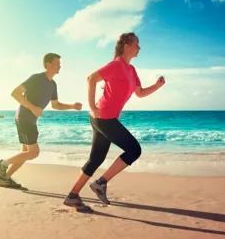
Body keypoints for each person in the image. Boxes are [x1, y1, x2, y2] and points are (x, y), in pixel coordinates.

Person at [63, 32, 165, 212]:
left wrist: (157, 86)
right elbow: (91, 78)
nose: (139, 48)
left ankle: (73, 196)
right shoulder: (116, 65)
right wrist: (92, 106)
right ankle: (100, 183)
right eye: (136, 44)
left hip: (104, 119)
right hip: (103, 117)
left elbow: (140, 93)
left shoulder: (131, 70)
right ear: (126, 45)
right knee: (134, 149)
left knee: (96, 159)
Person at [0, 53, 82, 189]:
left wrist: (72, 106)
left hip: (29, 120)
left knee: (25, 153)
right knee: (33, 153)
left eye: (60, 64)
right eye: (56, 63)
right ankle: (3, 164)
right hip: (24, 117)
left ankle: (5, 178)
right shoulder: (36, 78)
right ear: (47, 64)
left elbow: (55, 105)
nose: (60, 66)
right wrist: (32, 107)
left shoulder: (53, 85)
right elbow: (15, 93)